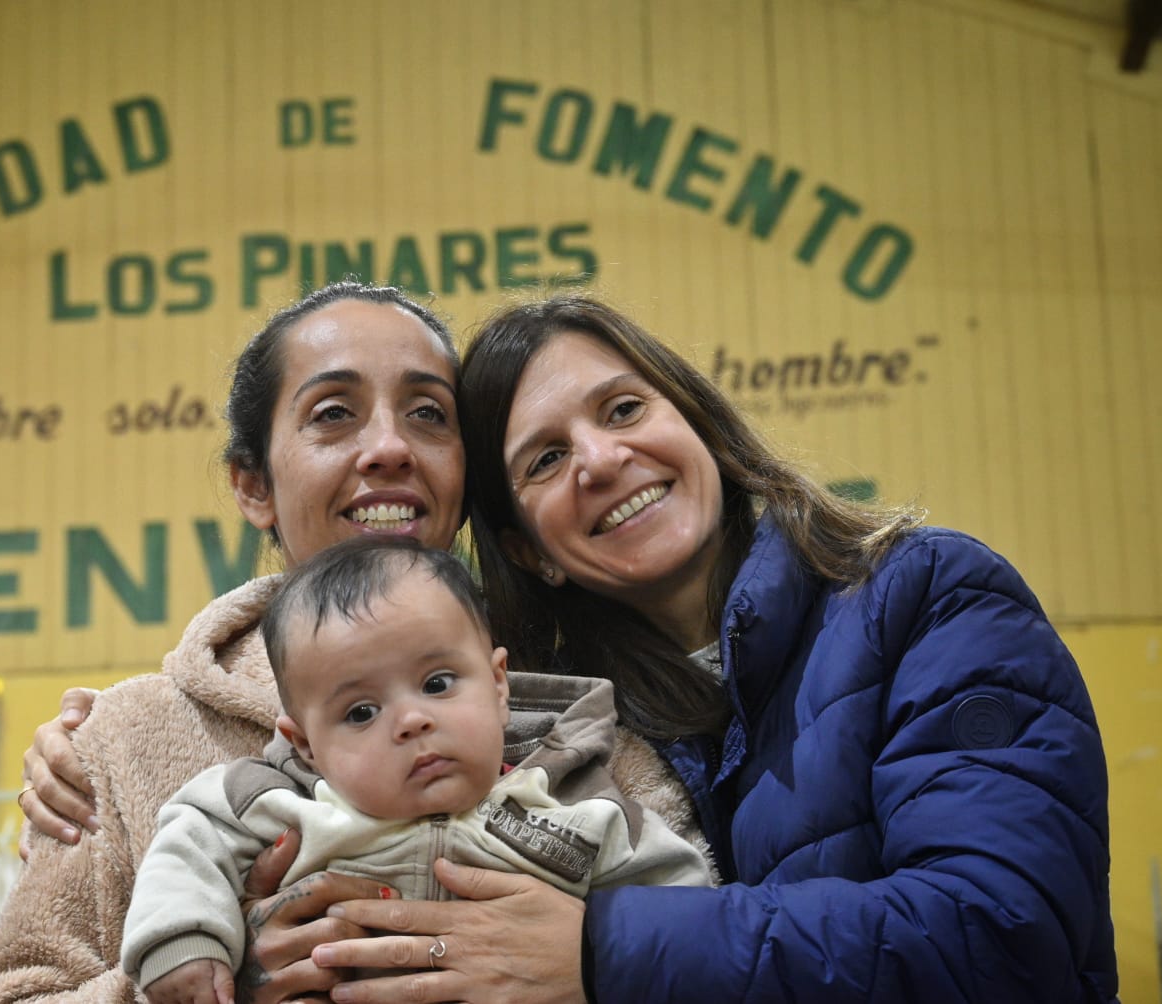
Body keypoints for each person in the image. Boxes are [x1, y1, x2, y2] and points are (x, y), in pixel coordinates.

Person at [302, 293, 1118, 1002]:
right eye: (546, 458)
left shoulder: (929, 596)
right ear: (528, 551)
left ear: (700, 425)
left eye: (623, 410)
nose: (601, 460)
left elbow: (1006, 933)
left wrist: (600, 952)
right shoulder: (567, 740)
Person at [0, 282, 710, 1004]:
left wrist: (587, 961)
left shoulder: (587, 718)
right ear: (253, 485)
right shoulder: (123, 741)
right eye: (333, 413)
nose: (389, 447)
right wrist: (219, 982)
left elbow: (694, 938)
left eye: (428, 414)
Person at [124, 535, 711, 1004]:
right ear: (305, 745)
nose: (411, 720)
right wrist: (185, 940)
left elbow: (682, 913)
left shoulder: (581, 814)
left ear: (498, 687)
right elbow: (190, 837)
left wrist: (596, 956)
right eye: (360, 712)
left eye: (437, 683)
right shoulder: (282, 806)